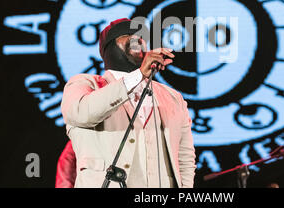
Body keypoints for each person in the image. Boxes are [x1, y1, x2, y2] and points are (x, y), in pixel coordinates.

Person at [60, 18, 196, 188]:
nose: (137, 38)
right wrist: (137, 76)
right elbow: (81, 113)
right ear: (108, 48)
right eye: (127, 34)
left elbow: (185, 157)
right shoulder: (85, 84)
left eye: (140, 36)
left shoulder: (173, 97)